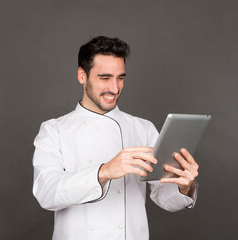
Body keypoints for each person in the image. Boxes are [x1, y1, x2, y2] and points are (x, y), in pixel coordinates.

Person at [32, 36, 199, 240]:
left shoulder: (143, 129)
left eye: (120, 77)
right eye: (105, 78)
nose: (115, 88)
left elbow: (163, 196)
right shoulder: (54, 130)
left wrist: (183, 186)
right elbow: (46, 193)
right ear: (82, 76)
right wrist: (104, 172)